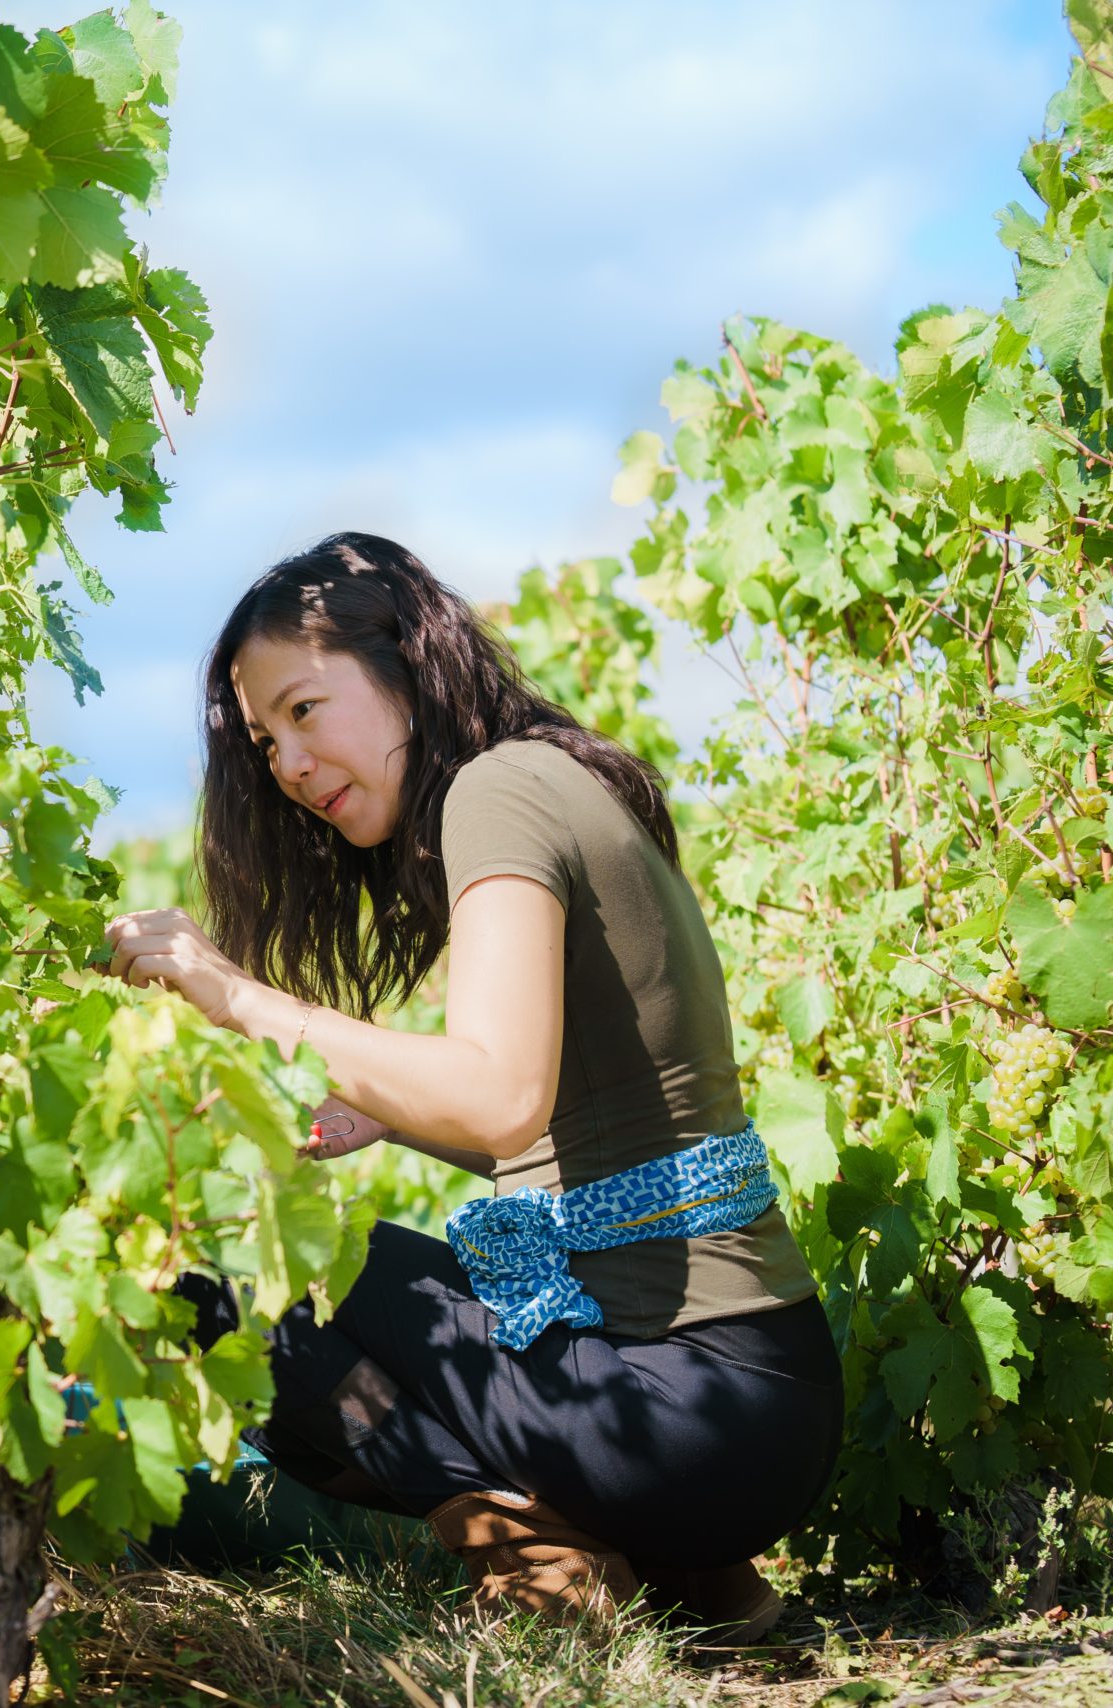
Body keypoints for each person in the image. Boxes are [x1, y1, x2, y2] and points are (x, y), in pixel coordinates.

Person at [104, 533, 840, 1645]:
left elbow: (500, 1097)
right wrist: (379, 1106)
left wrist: (233, 992)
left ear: (405, 659)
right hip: (756, 1407)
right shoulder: (558, 776)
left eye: (304, 710)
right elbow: (588, 1128)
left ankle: (527, 1548)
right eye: (265, 742)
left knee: (226, 1278)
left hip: (678, 1411)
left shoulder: (495, 789)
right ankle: (703, 1578)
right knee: (333, 1272)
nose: (289, 765)